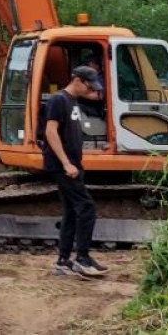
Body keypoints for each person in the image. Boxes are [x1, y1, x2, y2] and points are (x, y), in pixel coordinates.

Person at [40, 65, 111, 278]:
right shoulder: (58, 100)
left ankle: (63, 261)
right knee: (86, 207)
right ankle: (82, 258)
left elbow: (70, 133)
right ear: (77, 80)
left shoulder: (73, 102)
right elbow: (50, 132)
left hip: (72, 164)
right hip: (63, 166)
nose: (91, 91)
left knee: (71, 212)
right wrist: (66, 164)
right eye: (89, 86)